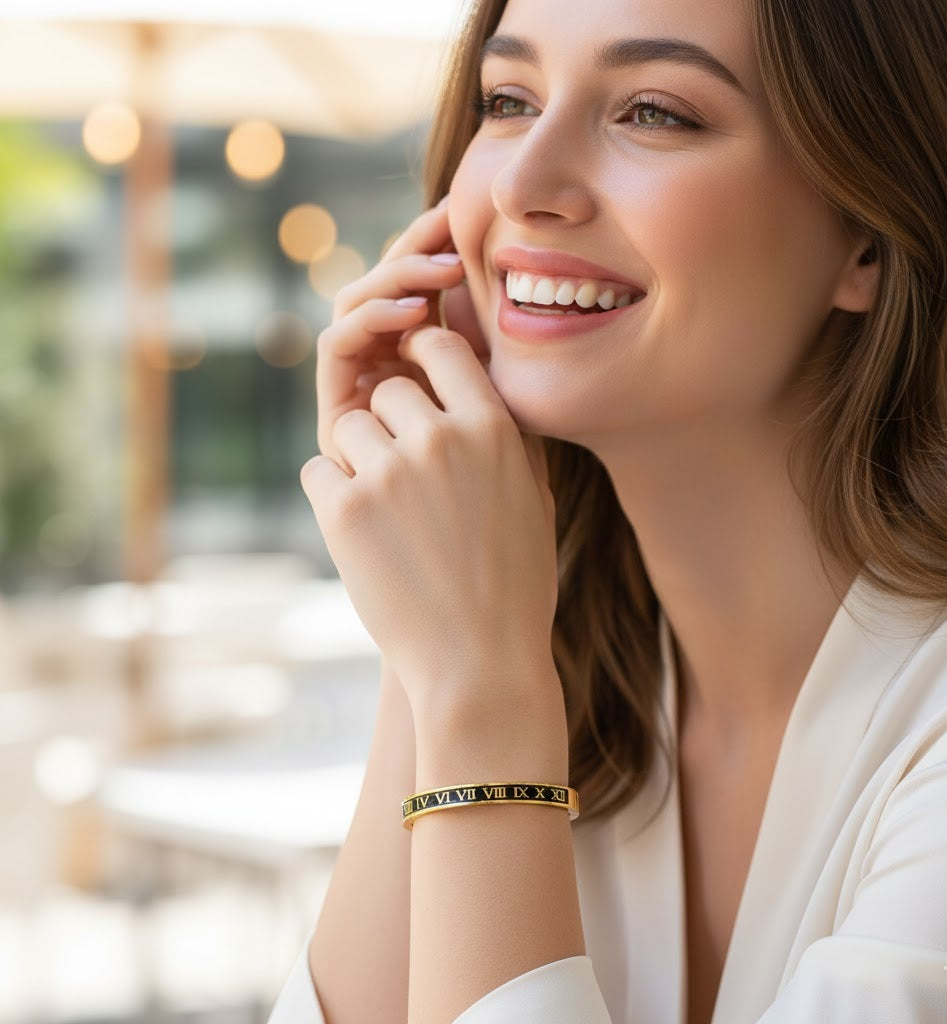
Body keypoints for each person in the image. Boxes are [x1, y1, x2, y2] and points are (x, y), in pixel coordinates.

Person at [268, 0, 947, 1020]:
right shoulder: (542, 662)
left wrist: (476, 690)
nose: (523, 185)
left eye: (653, 112)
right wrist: (436, 627)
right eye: (506, 100)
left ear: (863, 235)